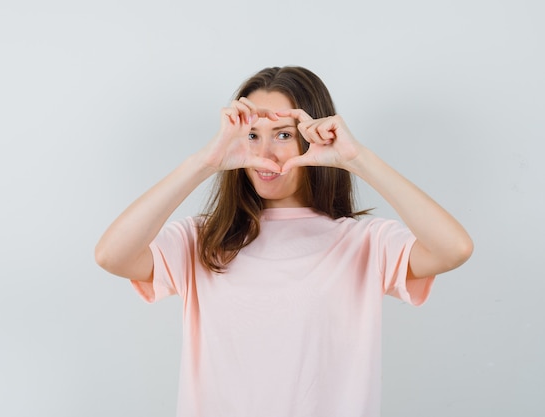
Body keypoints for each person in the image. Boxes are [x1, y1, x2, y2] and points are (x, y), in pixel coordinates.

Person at [95, 66, 473, 417]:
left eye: (283, 135)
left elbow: (454, 248)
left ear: (312, 138)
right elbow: (111, 255)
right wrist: (204, 163)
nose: (263, 153)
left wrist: (356, 159)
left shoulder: (364, 243)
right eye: (252, 135)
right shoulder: (202, 239)